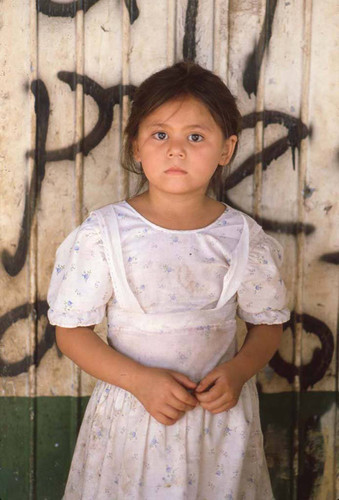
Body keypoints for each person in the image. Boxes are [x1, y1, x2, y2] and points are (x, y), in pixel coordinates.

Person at [47, 61, 290, 499]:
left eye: (195, 137)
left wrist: (237, 371)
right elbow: (71, 333)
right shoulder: (105, 235)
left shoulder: (243, 239)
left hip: (218, 424)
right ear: (136, 145)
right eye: (160, 134)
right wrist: (140, 381)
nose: (176, 149)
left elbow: (267, 323)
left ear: (226, 149)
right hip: (132, 419)